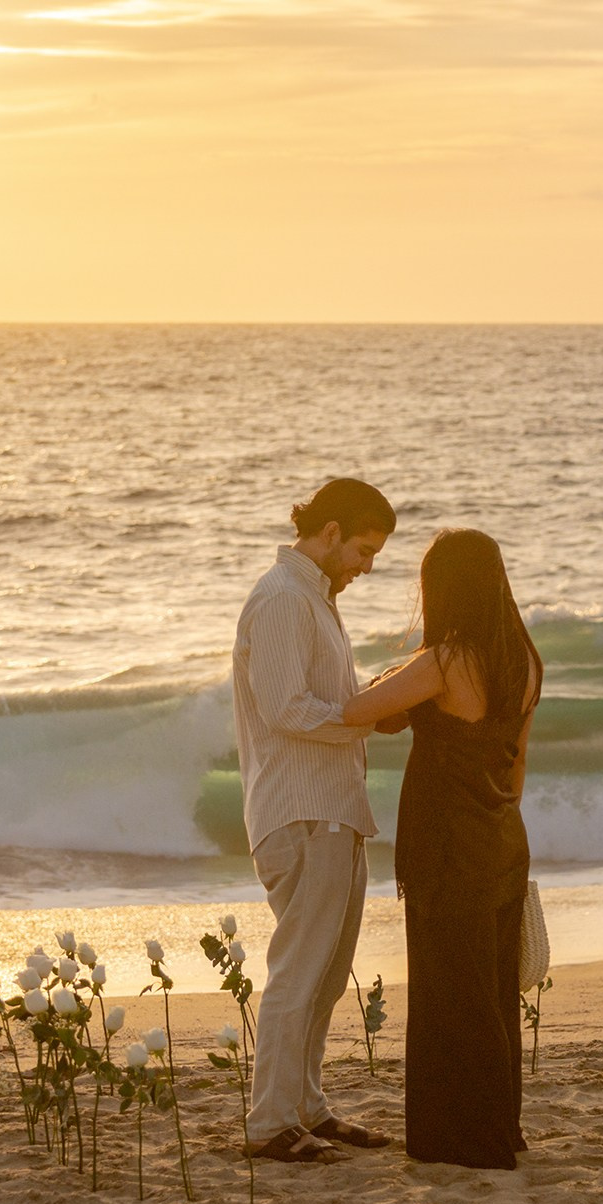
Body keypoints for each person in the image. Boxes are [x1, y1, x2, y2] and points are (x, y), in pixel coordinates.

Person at [340, 528, 543, 1169]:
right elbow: (515, 774)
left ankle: (464, 1141)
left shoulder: (447, 660)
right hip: (504, 840)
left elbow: (354, 710)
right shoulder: (526, 661)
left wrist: (397, 686)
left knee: (449, 994)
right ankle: (496, 1129)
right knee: (490, 993)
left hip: (449, 845)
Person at [232, 477, 401, 1165]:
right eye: (363, 549)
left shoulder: (315, 599)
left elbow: (320, 703)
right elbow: (285, 709)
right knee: (300, 971)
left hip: (333, 809)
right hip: (300, 811)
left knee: (328, 975)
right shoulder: (281, 598)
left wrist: (372, 702)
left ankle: (306, 1106)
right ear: (329, 532)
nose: (367, 565)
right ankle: (270, 1121)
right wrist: (362, 715)